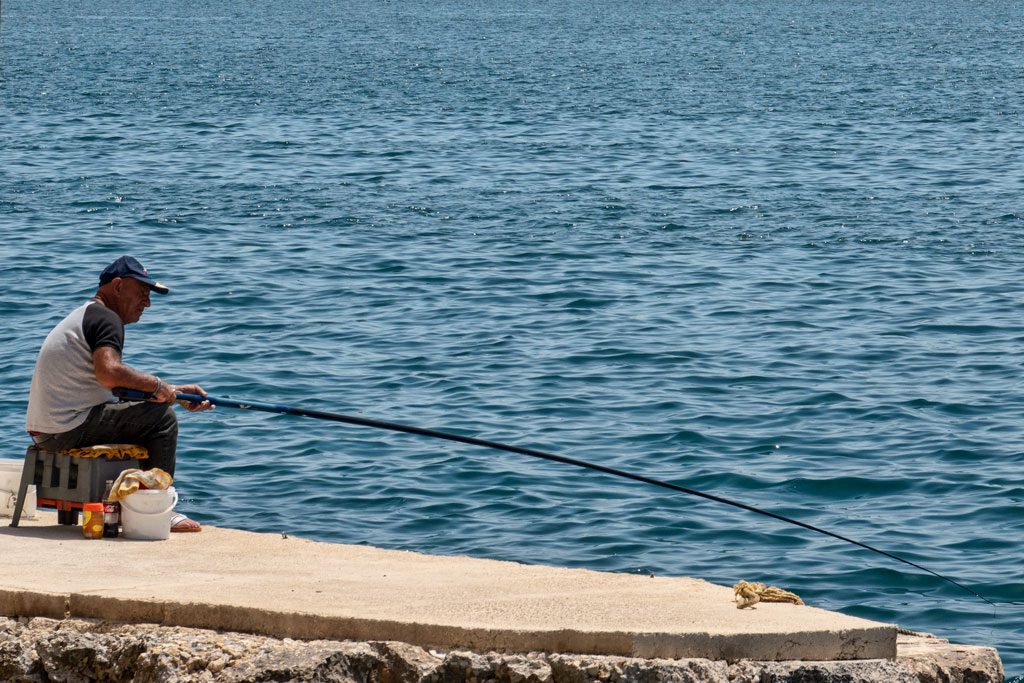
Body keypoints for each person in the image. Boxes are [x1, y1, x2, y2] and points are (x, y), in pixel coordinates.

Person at [26, 255, 213, 532]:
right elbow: (110, 373)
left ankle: (131, 503)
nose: (147, 303)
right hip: (69, 428)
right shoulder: (106, 318)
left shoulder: (85, 315)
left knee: (153, 411)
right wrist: (159, 388)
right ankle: (156, 508)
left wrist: (172, 391)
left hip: (46, 431)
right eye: (141, 293)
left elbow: (114, 389)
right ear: (116, 286)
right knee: (162, 420)